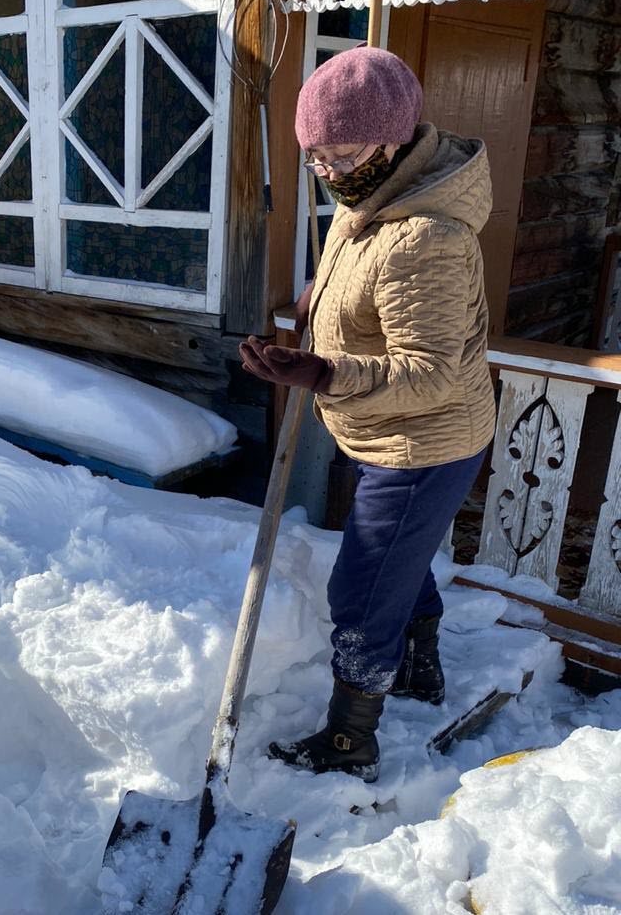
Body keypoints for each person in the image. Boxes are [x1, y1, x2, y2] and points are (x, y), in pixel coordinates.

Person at [240, 47, 496, 783]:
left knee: (360, 589)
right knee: (394, 563)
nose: (327, 171)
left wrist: (322, 371)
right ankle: (419, 662)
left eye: (341, 153)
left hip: (423, 439)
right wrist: (316, 325)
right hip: (382, 429)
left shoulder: (428, 237)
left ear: (395, 135)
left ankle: (352, 739)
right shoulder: (373, 203)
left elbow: (430, 371)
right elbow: (364, 296)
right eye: (314, 155)